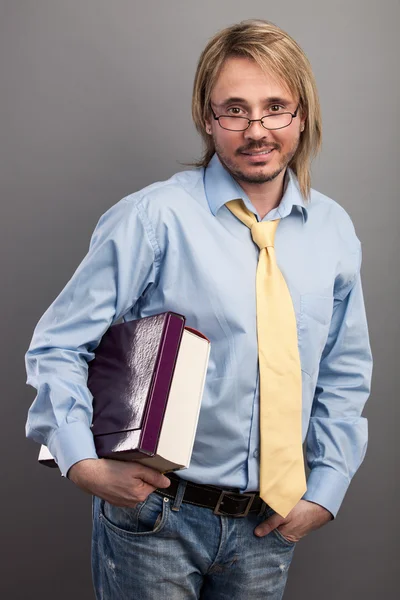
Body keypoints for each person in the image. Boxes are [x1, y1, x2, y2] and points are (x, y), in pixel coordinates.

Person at [25, 19, 373, 600]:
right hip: (156, 518)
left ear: (302, 115)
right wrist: (80, 462)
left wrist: (327, 488)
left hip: (268, 527)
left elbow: (344, 370)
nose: (256, 129)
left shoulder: (333, 230)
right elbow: (60, 343)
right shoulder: (152, 218)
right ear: (208, 119)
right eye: (234, 110)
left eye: (276, 108)